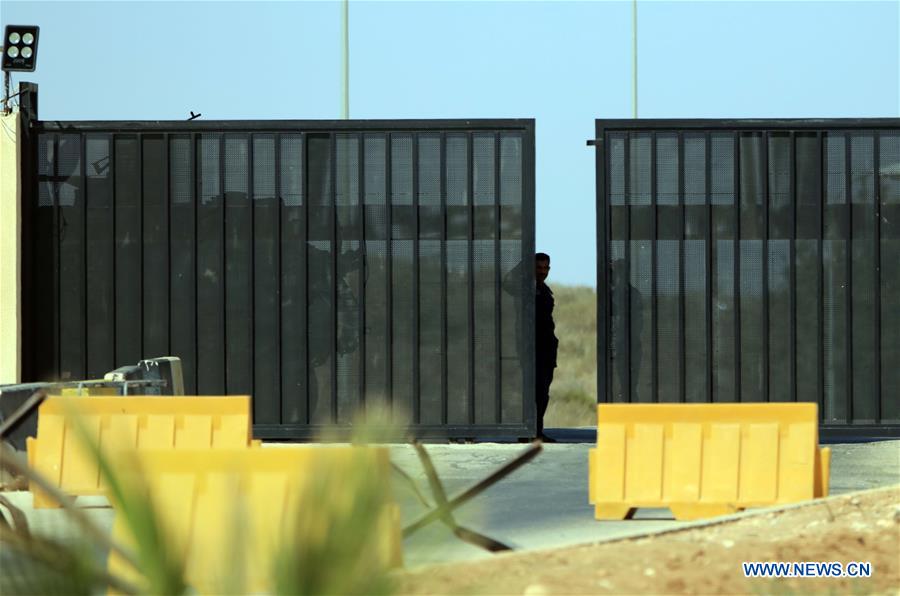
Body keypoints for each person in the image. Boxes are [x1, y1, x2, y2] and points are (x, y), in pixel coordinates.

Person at [534, 253, 559, 442]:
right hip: (532, 349)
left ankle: (537, 431)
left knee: (543, 392)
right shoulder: (526, 288)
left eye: (546, 268)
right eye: (539, 267)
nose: (543, 272)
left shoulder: (545, 289)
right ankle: (532, 431)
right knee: (535, 392)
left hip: (546, 349)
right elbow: (508, 282)